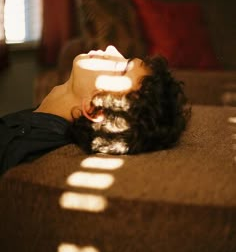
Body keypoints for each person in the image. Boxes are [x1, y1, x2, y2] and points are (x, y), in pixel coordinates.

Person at [0, 45, 190, 175]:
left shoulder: (21, 151)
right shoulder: (35, 123)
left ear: (95, 109)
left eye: (119, 67)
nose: (111, 49)